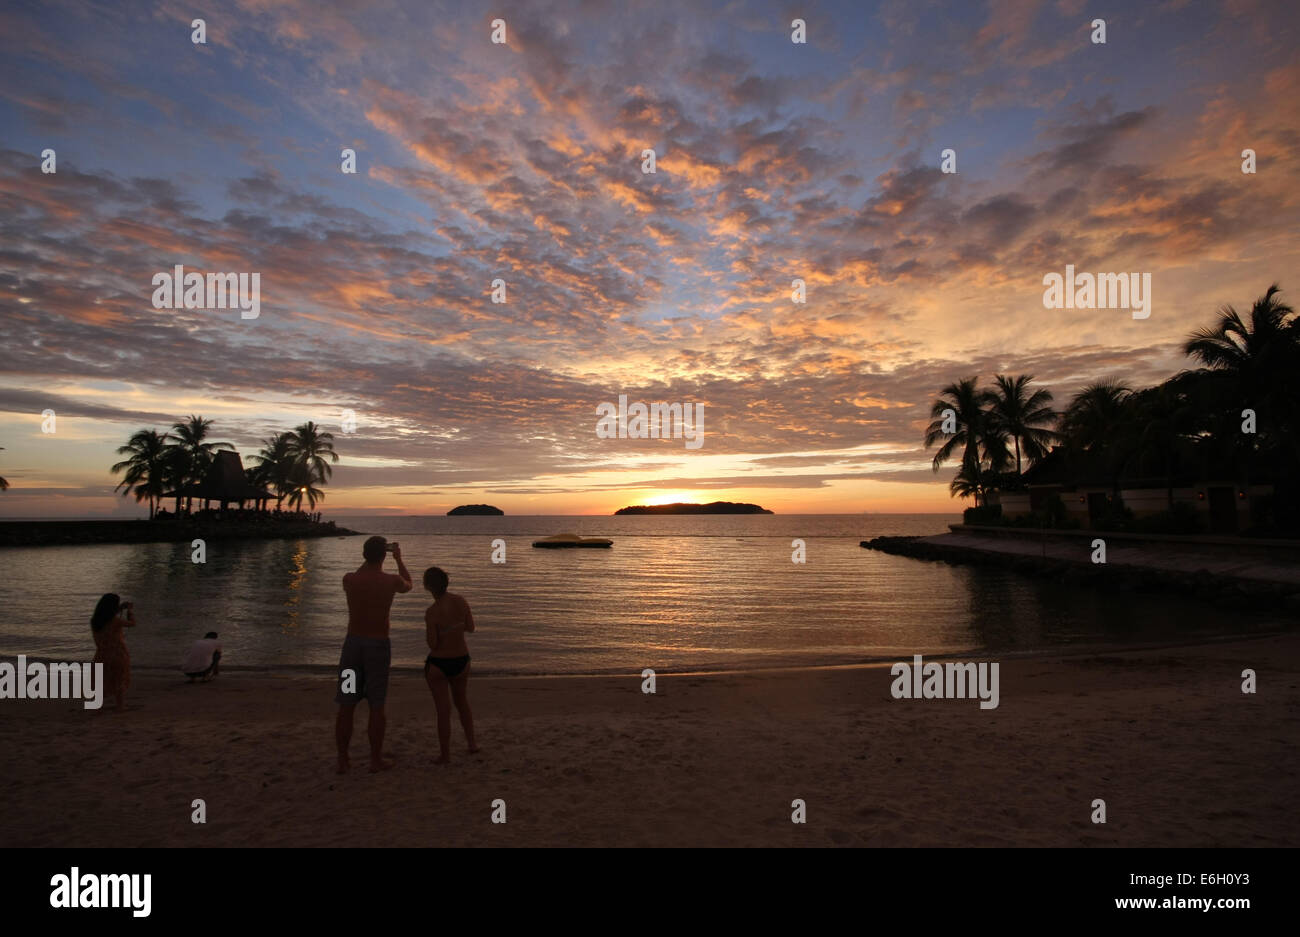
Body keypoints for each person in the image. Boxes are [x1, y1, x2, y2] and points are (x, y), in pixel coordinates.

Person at [336, 535, 412, 773]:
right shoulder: (390, 581)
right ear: (384, 555)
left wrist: (372, 556)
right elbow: (408, 584)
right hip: (377, 646)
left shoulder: (350, 579)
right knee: (376, 705)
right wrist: (398, 559)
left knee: (346, 705)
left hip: (352, 647)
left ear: (363, 555)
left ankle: (343, 761)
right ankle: (375, 759)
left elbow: (362, 570)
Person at [422, 566, 479, 763]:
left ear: (428, 587)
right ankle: (472, 744)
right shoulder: (461, 601)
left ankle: (445, 754)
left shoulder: (432, 612)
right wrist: (455, 627)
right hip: (461, 661)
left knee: (443, 710)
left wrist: (442, 630)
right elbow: (471, 628)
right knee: (462, 703)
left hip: (439, 664)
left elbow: (433, 644)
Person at [91, 593, 133, 712]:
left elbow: (108, 618)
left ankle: (98, 705)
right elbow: (132, 623)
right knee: (119, 679)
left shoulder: (95, 621)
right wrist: (129, 611)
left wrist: (120, 608)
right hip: (118, 654)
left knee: (102, 680)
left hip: (101, 654)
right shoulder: (116, 621)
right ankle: (120, 706)